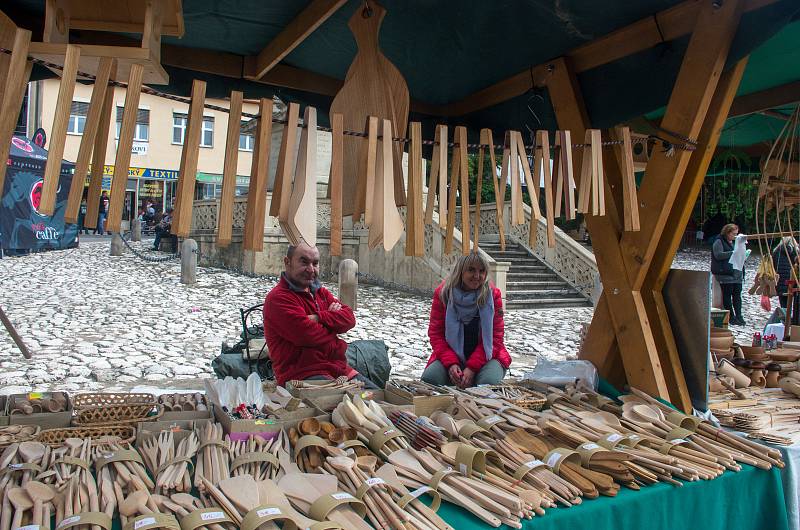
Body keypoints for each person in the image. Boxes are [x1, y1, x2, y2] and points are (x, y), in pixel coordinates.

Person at [263, 243, 377, 388]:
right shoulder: (278, 298)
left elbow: (349, 318)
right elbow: (308, 336)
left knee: (375, 396)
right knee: (358, 405)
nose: (311, 269)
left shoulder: (320, 292)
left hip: (339, 370)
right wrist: (334, 325)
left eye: (315, 263)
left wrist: (319, 317)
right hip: (302, 376)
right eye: (304, 262)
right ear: (287, 262)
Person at [422, 252, 511, 387]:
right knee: (431, 380)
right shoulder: (443, 294)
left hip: (487, 356)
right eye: (471, 270)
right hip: (452, 355)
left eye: (481, 271)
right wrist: (451, 363)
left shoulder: (492, 296)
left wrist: (472, 368)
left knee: (488, 385)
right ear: (460, 271)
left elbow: (495, 339)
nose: (477, 276)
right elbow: (436, 334)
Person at [711, 224, 745, 325]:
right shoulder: (719, 241)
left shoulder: (734, 243)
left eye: (736, 234)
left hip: (735, 273)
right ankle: (731, 316)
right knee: (727, 295)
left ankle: (739, 316)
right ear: (727, 232)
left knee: (737, 295)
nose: (735, 236)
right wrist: (733, 253)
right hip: (725, 273)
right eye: (733, 234)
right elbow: (718, 255)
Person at [772, 236, 799, 309]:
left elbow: (773, 266)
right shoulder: (795, 251)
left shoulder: (776, 251)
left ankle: (785, 318)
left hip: (780, 280)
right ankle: (793, 317)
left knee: (784, 303)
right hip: (793, 280)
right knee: (796, 302)